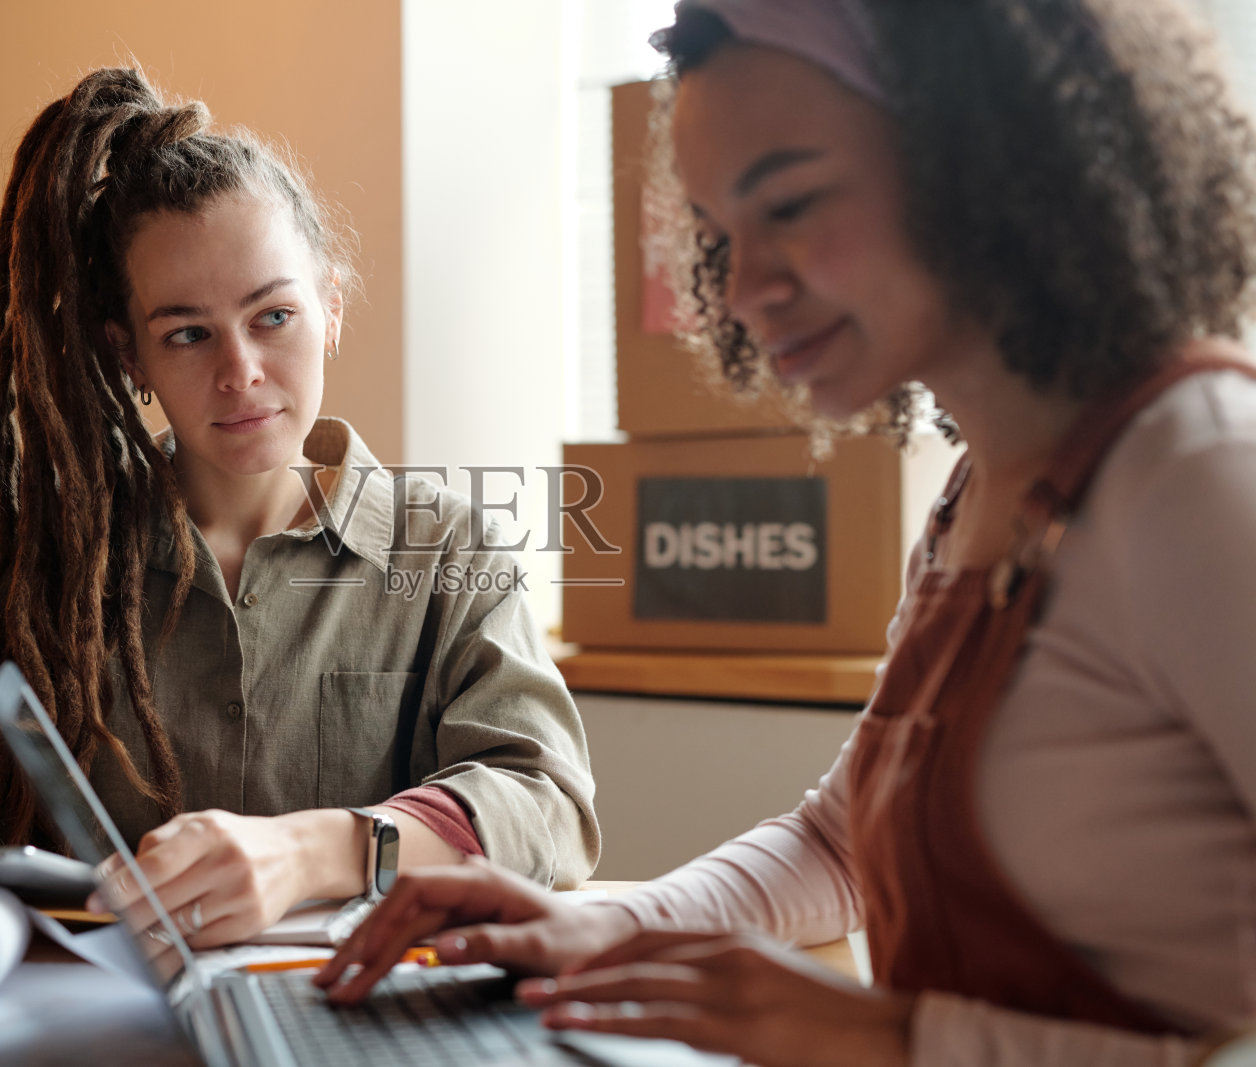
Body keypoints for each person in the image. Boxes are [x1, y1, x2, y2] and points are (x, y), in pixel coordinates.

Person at [317, 1, 1256, 1063]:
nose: (746, 287)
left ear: (978, 154)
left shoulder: (1198, 477)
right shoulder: (970, 500)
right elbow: (839, 840)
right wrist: (604, 927)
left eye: (794, 204)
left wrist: (893, 1037)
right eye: (719, 233)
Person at [0, 67, 599, 948]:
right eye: (187, 334)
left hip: (351, 1012)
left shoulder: (451, 551)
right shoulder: (27, 548)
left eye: (273, 315)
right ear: (129, 356)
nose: (239, 371)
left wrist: (314, 850)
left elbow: (546, 801)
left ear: (332, 308)